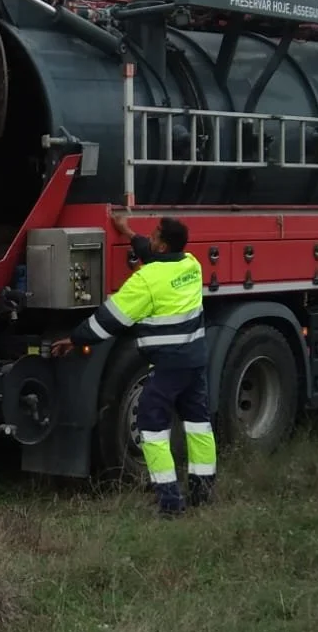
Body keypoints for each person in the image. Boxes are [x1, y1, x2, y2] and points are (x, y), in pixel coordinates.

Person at [49, 210, 215, 514]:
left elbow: (108, 320)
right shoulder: (191, 265)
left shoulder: (146, 281)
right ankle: (203, 492)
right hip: (195, 361)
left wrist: (75, 340)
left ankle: (170, 502)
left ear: (163, 247)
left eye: (153, 235)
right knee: (198, 425)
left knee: (151, 427)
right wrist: (128, 234)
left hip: (168, 366)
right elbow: (154, 258)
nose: (149, 238)